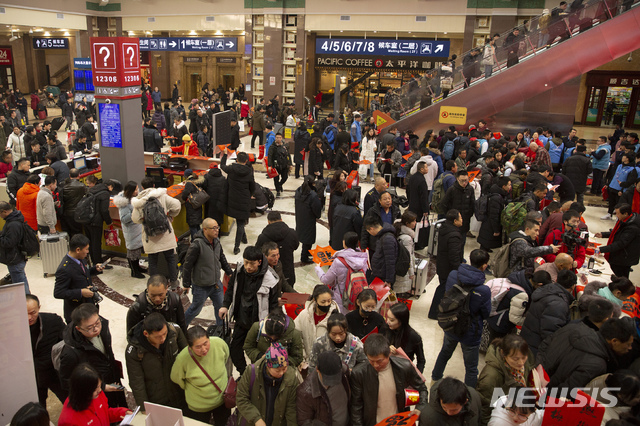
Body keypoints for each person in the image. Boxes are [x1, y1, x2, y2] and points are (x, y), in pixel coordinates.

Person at [431, 249, 491, 388]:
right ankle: (469, 394)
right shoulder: (483, 290)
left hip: (451, 323)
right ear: (484, 266)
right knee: (471, 367)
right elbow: (486, 313)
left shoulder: (454, 275)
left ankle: (435, 379)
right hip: (471, 332)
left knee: (445, 353)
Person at [220, 245, 279, 374]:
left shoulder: (270, 280)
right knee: (235, 349)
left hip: (258, 323)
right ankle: (244, 373)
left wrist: (271, 323)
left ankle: (257, 375)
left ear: (259, 262)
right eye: (246, 262)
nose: (248, 267)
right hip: (241, 318)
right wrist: (225, 305)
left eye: (252, 264)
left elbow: (274, 305)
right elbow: (230, 289)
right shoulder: (239, 271)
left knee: (257, 353)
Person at [350, 334, 428, 425]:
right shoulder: (359, 373)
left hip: (400, 422)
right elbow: (356, 406)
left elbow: (422, 388)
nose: (375, 365)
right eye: (371, 360)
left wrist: (420, 408)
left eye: (380, 361)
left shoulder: (404, 367)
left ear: (389, 354)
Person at [58, 304, 127, 408]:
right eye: (90, 327)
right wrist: (100, 387)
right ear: (78, 328)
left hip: (112, 378)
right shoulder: (70, 353)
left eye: (97, 323)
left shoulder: (103, 326)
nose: (96, 329)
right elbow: (67, 382)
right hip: (94, 394)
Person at [538, 317, 634, 391]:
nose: (630, 348)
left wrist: (537, 372)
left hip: (533, 378)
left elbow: (544, 344)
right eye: (628, 344)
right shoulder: (597, 365)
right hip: (541, 398)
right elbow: (568, 391)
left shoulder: (574, 327)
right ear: (614, 341)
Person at [170, 325, 231, 424]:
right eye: (198, 347)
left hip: (222, 399)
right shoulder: (182, 359)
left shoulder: (219, 343)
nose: (203, 349)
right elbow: (176, 378)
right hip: (199, 406)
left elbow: (226, 357)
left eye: (205, 343)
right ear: (190, 347)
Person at [125, 312, 187, 409]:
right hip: (157, 399)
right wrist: (144, 407)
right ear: (146, 334)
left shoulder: (174, 331)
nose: (163, 339)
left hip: (179, 392)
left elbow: (188, 357)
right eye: (158, 336)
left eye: (164, 333)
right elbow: (137, 383)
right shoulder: (134, 350)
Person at [182, 217, 233, 325]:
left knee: (220, 308)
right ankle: (181, 326)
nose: (217, 230)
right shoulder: (197, 245)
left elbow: (221, 257)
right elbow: (188, 265)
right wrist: (186, 284)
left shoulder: (217, 241)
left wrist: (229, 272)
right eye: (213, 228)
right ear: (205, 229)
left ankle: (221, 329)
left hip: (216, 284)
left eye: (217, 227)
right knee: (195, 309)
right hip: (201, 286)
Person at [131, 177, 181, 286]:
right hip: (165, 233)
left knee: (153, 262)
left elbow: (135, 218)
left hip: (150, 236)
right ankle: (173, 282)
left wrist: (144, 221)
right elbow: (177, 205)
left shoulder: (139, 201)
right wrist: (170, 216)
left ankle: (153, 284)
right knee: (171, 259)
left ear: (142, 187)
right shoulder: (161, 195)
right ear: (153, 185)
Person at [476, 334, 535, 424]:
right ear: (503, 354)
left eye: (523, 358)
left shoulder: (523, 363)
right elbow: (485, 410)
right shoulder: (490, 377)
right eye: (516, 359)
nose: (521, 362)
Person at [235, 342, 298, 425]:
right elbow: (241, 399)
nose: (282, 373)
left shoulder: (291, 378)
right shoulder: (252, 373)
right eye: (277, 370)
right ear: (268, 366)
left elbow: (291, 409)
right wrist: (256, 419)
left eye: (284, 368)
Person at [520, 269, 577, 355]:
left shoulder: (547, 289)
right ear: (573, 286)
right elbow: (550, 333)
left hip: (529, 339)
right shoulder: (558, 304)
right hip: (536, 348)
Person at [26, 294, 67, 406]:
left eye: (33, 312)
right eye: (25, 313)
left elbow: (68, 341)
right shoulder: (13, 328)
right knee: (38, 409)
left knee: (70, 402)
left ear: (39, 308)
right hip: (30, 378)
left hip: (53, 373)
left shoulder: (53, 321)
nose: (29, 317)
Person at [57, 363, 130, 426]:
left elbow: (105, 414)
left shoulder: (97, 395)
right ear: (83, 391)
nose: (100, 390)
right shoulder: (68, 421)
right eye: (95, 389)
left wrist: (123, 412)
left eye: (99, 386)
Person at [53, 234, 105, 322]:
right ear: (78, 250)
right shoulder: (64, 269)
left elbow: (83, 273)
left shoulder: (81, 258)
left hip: (88, 307)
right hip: (77, 313)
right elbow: (58, 292)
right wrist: (80, 292)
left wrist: (95, 269)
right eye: (86, 249)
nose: (88, 251)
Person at [316, 231, 369, 314]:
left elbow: (326, 280)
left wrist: (318, 269)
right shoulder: (362, 259)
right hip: (357, 295)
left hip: (341, 298)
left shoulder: (339, 261)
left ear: (344, 242)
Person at [297, 350, 351, 426]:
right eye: (328, 378)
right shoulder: (305, 392)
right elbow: (303, 422)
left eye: (335, 377)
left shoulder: (344, 371)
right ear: (317, 370)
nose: (332, 383)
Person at [430, 209, 465, 319]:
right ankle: (434, 312)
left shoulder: (444, 228)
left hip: (442, 264)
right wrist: (457, 269)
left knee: (443, 287)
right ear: (455, 221)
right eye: (460, 217)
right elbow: (454, 255)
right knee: (443, 288)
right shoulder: (454, 235)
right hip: (448, 268)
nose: (462, 219)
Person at [294, 284, 341, 364]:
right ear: (315, 301)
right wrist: (302, 359)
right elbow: (297, 338)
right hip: (305, 362)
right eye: (323, 302)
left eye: (329, 301)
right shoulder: (304, 315)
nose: (326, 304)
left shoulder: (336, 319)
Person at [221, 151, 255, 255]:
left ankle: (243, 238)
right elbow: (252, 187)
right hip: (244, 200)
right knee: (240, 222)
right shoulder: (249, 171)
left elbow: (222, 166)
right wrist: (250, 194)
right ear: (246, 161)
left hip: (232, 198)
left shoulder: (231, 169)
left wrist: (225, 155)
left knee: (239, 219)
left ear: (237, 160)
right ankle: (236, 247)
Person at [596, 203, 640, 278]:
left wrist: (601, 249)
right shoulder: (625, 220)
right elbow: (618, 233)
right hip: (620, 254)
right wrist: (603, 234)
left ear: (625, 213)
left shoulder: (632, 227)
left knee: (620, 277)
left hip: (624, 257)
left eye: (618, 213)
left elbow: (621, 243)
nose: (616, 215)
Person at [256, 211, 299, 287]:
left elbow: (258, 254)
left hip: (269, 274)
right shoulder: (292, 233)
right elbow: (295, 246)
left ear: (268, 222)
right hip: (288, 271)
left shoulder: (262, 237)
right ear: (281, 220)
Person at [113, 181, 145, 278]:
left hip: (137, 229)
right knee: (132, 252)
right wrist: (136, 213)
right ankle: (134, 272)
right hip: (131, 231)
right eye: (135, 189)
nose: (137, 191)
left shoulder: (134, 198)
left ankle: (137, 267)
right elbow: (124, 219)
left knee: (137, 251)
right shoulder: (124, 203)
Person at [382, 303, 425, 372]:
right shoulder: (386, 328)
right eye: (387, 318)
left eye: (392, 320)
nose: (388, 322)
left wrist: (417, 377)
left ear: (402, 321)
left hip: (403, 371)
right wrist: (386, 347)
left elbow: (421, 361)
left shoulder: (413, 337)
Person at [0, 201, 31, 293]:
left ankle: (26, 303)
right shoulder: (13, 220)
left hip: (15, 259)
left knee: (20, 285)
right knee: (21, 282)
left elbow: (9, 243)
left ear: (4, 211)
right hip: (16, 258)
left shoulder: (13, 224)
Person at [84, 176, 114, 267]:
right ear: (109, 186)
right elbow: (104, 210)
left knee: (91, 242)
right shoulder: (105, 193)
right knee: (96, 243)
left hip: (87, 219)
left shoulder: (92, 190)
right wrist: (109, 222)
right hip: (95, 221)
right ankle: (98, 263)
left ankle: (93, 262)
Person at [440, 171, 476, 245]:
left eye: (466, 180)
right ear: (457, 179)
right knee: (453, 242)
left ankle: (460, 256)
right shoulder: (452, 189)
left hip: (465, 220)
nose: (464, 183)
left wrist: (469, 214)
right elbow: (444, 203)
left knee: (462, 241)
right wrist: (450, 215)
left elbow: (472, 204)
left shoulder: (470, 189)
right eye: (462, 181)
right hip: (454, 221)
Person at [478, 176, 511, 252]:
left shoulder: (500, 195)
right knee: (485, 242)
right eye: (509, 185)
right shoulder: (496, 198)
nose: (510, 187)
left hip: (490, 224)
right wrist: (496, 230)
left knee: (487, 242)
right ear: (503, 186)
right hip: (490, 225)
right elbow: (494, 215)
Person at [364, 216, 398, 288]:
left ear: (371, 228)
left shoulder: (387, 239)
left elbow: (390, 261)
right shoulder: (382, 235)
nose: (370, 233)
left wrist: (389, 280)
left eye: (369, 231)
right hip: (380, 273)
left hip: (384, 277)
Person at [295, 176, 322, 263]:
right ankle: (304, 257)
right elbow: (317, 209)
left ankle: (307, 252)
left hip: (300, 217)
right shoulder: (313, 196)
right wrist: (318, 215)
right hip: (309, 219)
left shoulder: (298, 190)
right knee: (308, 237)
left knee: (304, 235)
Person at [393, 211, 417, 297]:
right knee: (399, 287)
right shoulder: (407, 238)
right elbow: (408, 256)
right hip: (404, 266)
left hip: (396, 263)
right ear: (407, 223)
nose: (415, 223)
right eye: (413, 221)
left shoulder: (397, 229)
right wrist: (411, 272)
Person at [181, 169, 205, 239]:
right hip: (198, 207)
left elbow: (184, 196)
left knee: (193, 227)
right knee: (197, 226)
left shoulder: (189, 184)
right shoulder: (198, 181)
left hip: (192, 208)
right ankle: (201, 240)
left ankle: (195, 243)